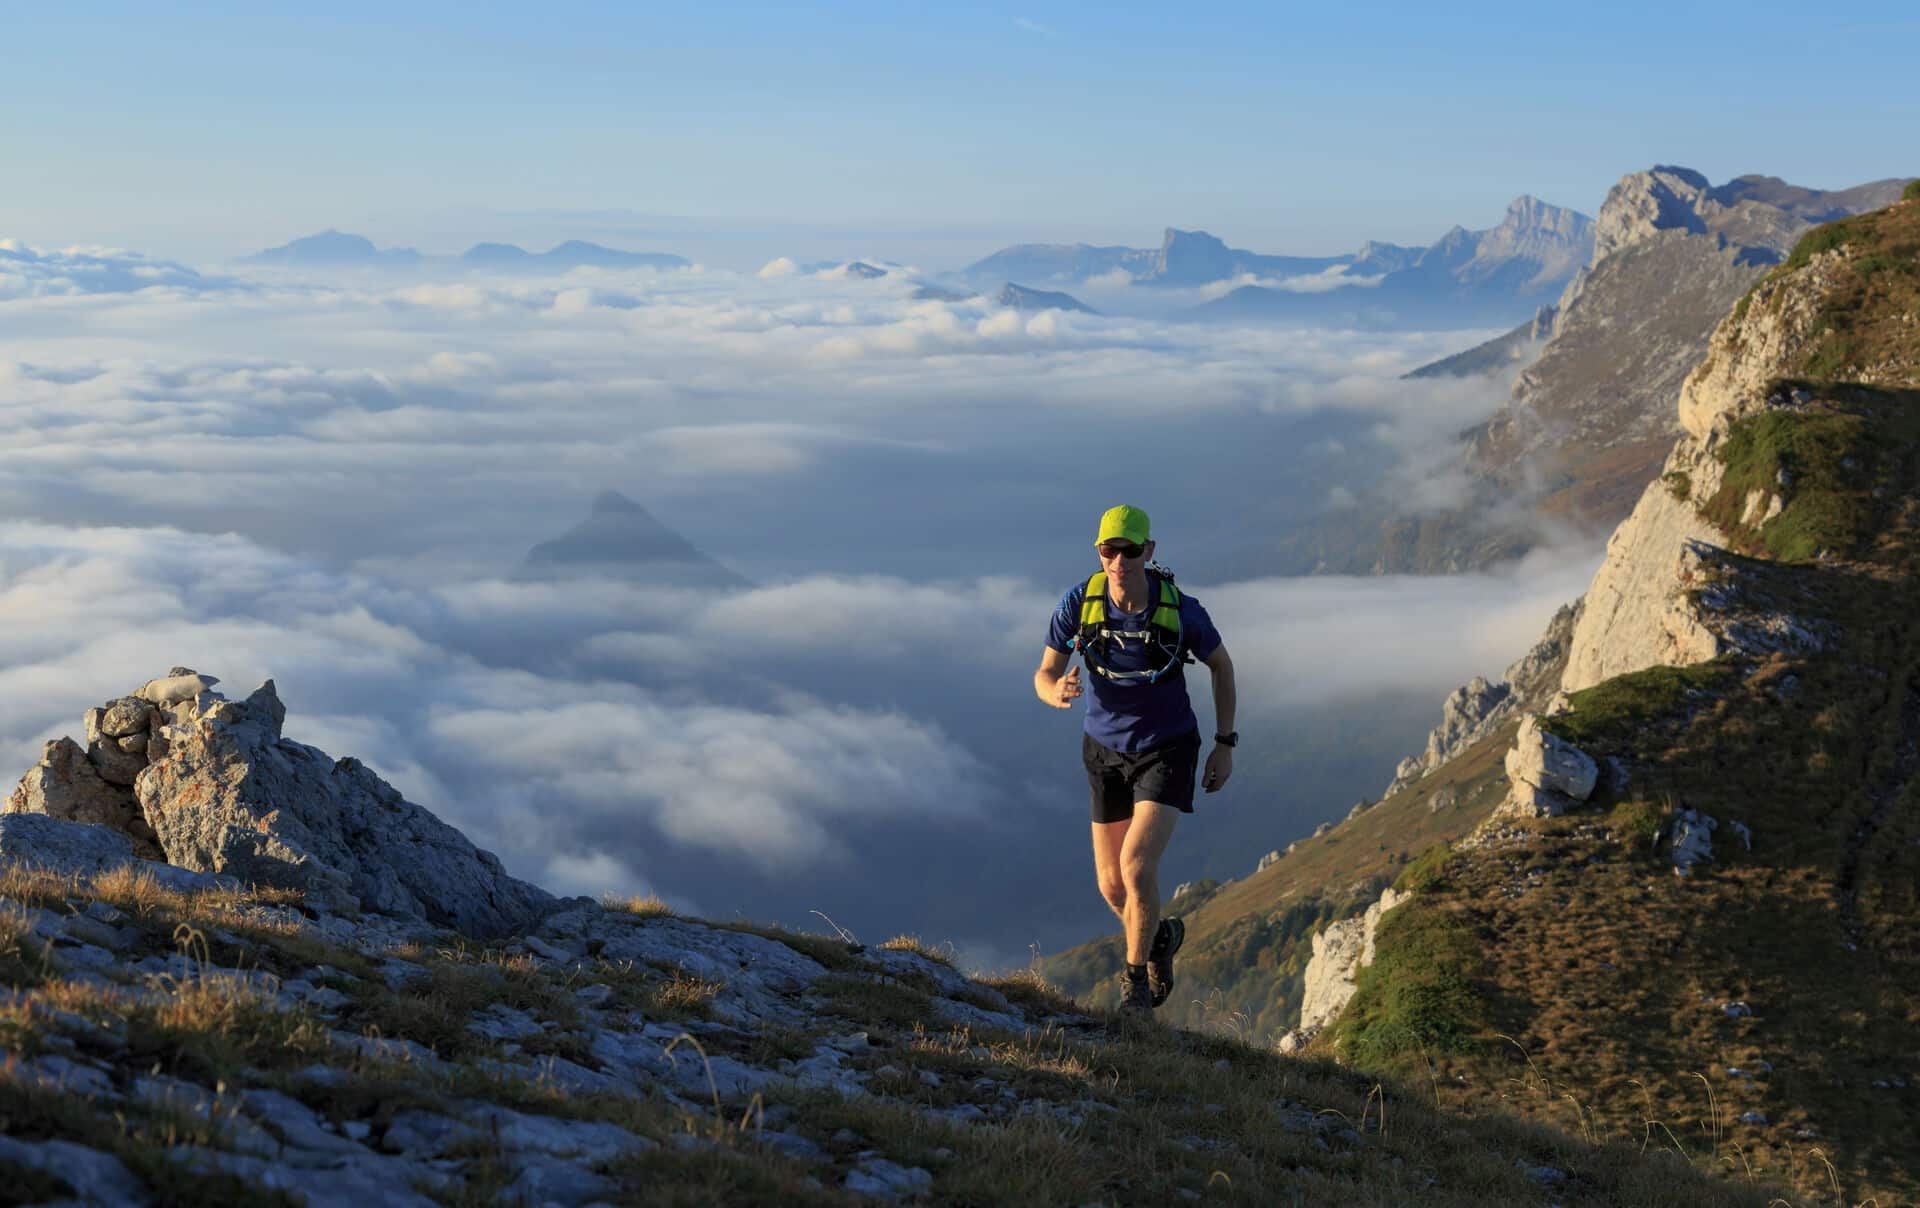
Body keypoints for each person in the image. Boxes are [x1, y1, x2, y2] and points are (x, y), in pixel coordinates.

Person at [1034, 505, 1236, 1018]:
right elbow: (1044, 672)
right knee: (1111, 885)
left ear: (1150, 551)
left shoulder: (1181, 610)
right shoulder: (1079, 604)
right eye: (1109, 550)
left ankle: (1134, 989)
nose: (1119, 560)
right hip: (1102, 751)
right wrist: (1055, 690)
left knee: (1136, 864)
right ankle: (1160, 938)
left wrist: (1224, 743)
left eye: (1129, 550)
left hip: (1167, 747)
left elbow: (1221, 666)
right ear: (1098, 551)